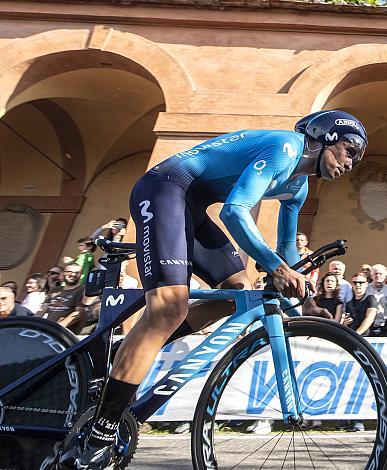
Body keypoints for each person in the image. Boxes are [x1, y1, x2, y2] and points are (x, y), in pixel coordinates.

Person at [60, 109, 368, 468]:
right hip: (164, 189)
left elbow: (287, 251)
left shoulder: (297, 186)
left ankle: (121, 357)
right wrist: (276, 267)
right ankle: (102, 427)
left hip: (191, 206)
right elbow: (235, 213)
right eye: (350, 151)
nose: (351, 163)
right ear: (328, 137)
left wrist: (305, 302)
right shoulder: (286, 147)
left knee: (238, 293)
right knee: (168, 308)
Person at [344, 272, 377, 432]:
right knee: (350, 382)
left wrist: (356, 334)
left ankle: (360, 420)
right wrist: (345, 324)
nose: (358, 285)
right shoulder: (349, 302)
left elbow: (369, 318)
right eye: (355, 282)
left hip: (364, 342)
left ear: (367, 284)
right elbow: (346, 321)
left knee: (362, 382)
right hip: (351, 342)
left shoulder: (370, 299)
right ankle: (349, 418)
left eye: (361, 283)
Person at [41, 264, 85, 333]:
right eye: (69, 272)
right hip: (47, 329)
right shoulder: (55, 290)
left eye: (76, 273)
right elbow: (42, 309)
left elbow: (78, 313)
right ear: (63, 273)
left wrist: (59, 327)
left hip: (62, 333)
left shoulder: (82, 290)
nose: (72, 274)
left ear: (81, 275)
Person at [365, 264, 387, 336]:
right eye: (375, 273)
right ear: (371, 275)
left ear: (385, 276)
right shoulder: (366, 289)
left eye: (380, 273)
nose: (378, 275)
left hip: (383, 326)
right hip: (367, 325)